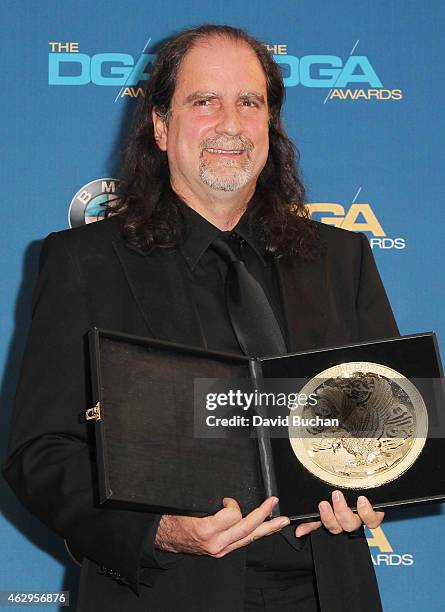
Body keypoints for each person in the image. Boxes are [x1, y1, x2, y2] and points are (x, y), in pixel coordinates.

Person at [2, 25, 398, 611]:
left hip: (326, 589)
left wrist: (376, 486)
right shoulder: (84, 261)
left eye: (249, 102)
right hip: (164, 589)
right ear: (160, 126)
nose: (231, 125)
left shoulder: (343, 260)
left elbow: (392, 425)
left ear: (270, 125)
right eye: (204, 101)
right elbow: (39, 452)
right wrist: (157, 531)